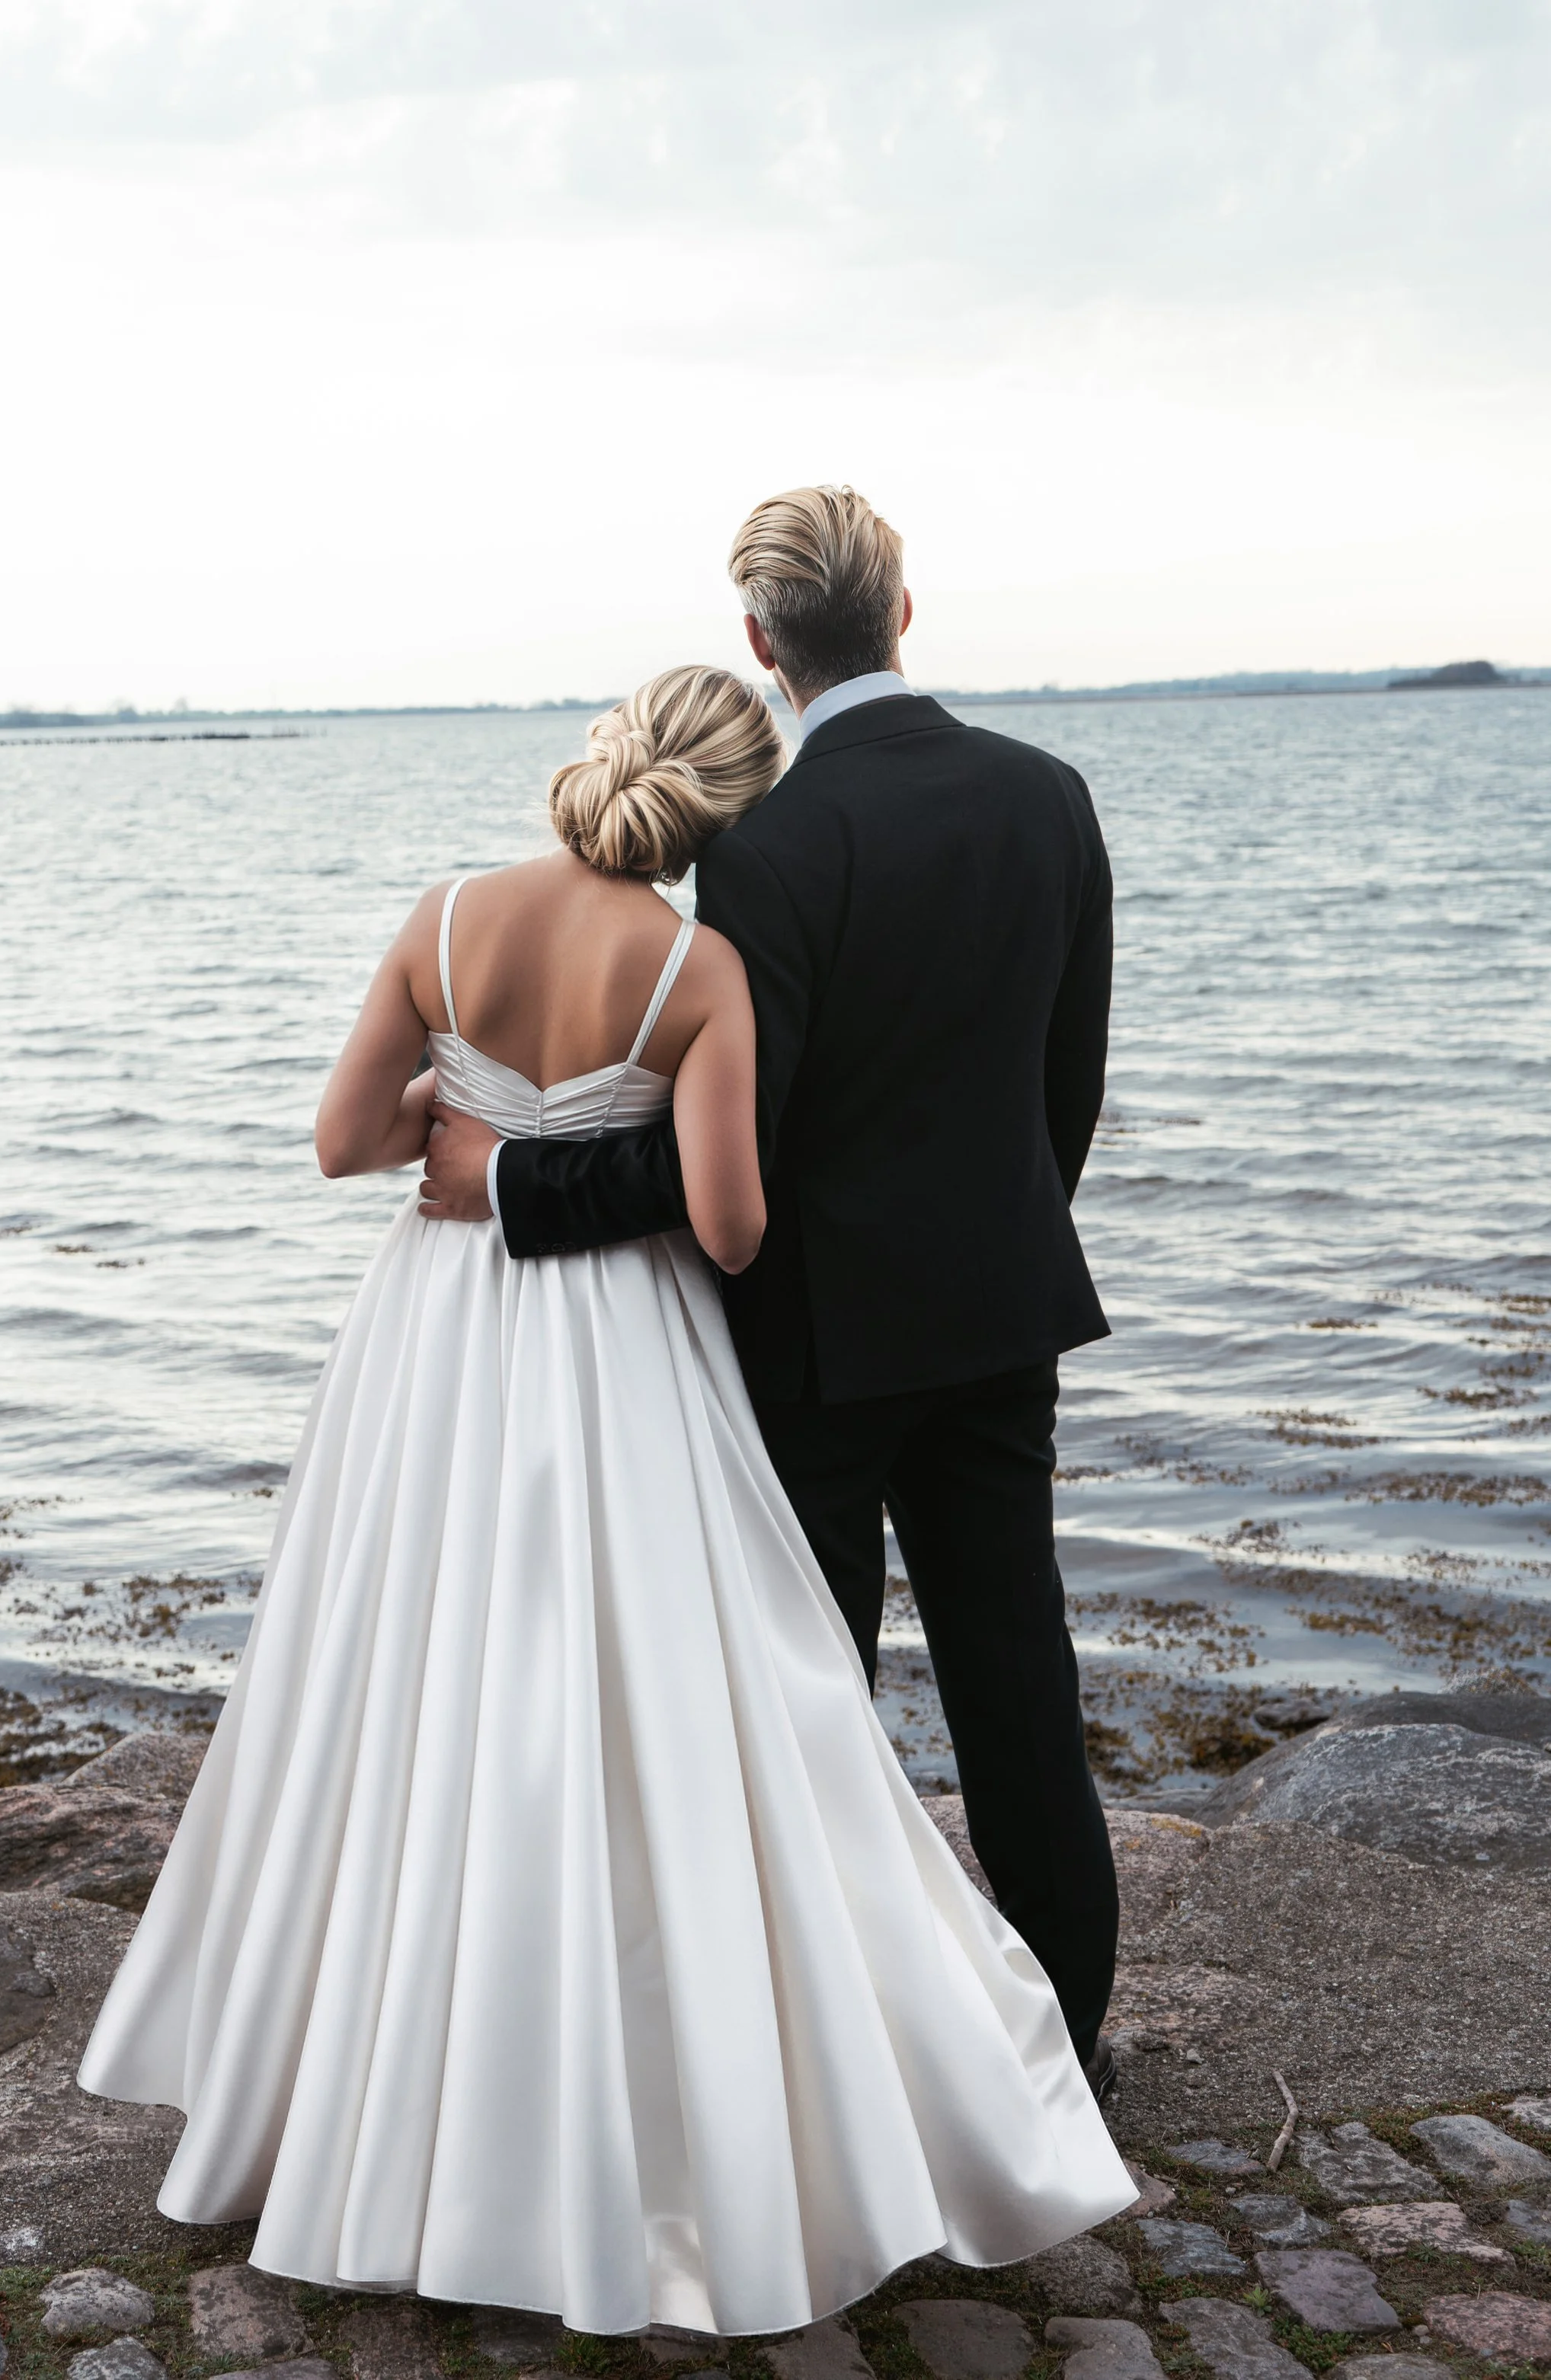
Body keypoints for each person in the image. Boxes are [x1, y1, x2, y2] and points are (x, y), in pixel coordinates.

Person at [78, 659, 1134, 2336]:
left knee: (415, 1687)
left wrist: (467, 1128)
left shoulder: (438, 917)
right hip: (652, 1358)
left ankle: (370, 2092)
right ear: (716, 811)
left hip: (427, 1355)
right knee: (685, 1712)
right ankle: (827, 2082)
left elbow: (342, 1138)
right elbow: (728, 1225)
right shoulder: (702, 962)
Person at [419, 486, 1122, 2090]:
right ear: (903, 607)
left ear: (759, 642)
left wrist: (510, 1180)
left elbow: (713, 1151)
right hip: (1001, 1317)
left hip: (813, 1348)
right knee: (1019, 1693)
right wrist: (994, 1250)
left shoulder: (769, 847)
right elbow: (1059, 1091)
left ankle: (822, 2078)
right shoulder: (1048, 796)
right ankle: (1065, 2058)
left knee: (805, 1707)